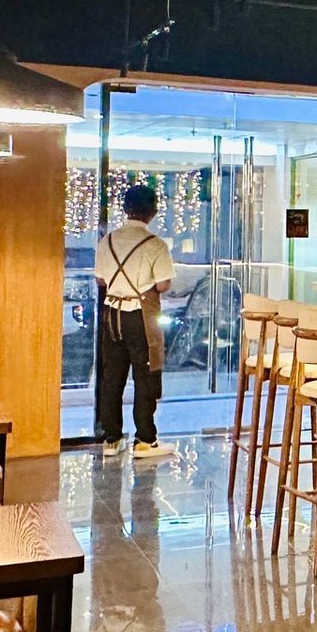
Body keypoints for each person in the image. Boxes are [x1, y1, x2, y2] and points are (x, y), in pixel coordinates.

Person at [95, 183, 175, 455]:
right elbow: (163, 285)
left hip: (112, 316)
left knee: (112, 378)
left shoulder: (106, 241)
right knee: (146, 377)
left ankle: (111, 439)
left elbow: (100, 279)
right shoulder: (156, 245)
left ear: (125, 209)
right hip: (140, 318)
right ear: (152, 213)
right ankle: (144, 440)